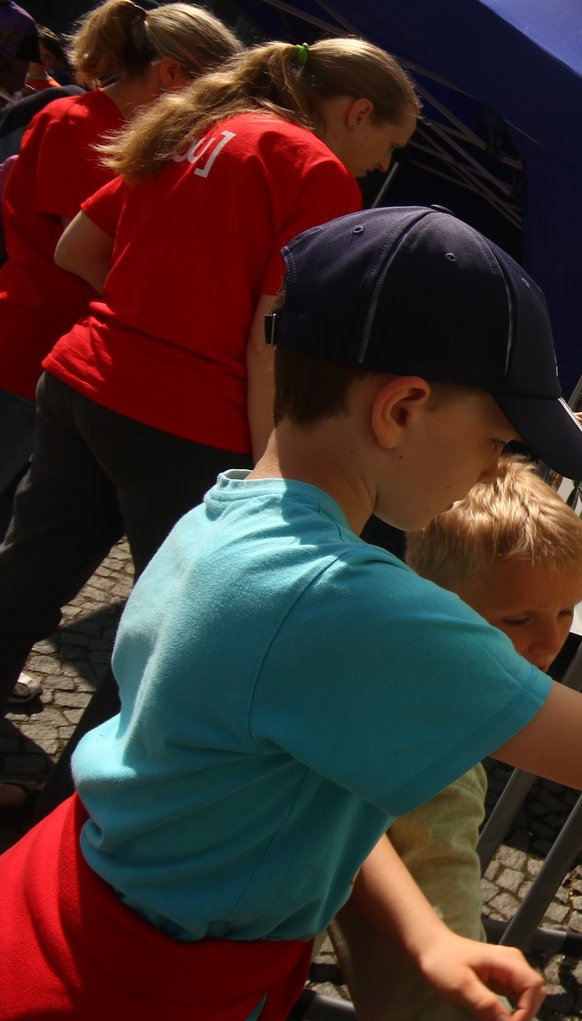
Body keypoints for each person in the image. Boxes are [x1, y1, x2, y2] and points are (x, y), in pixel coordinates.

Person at [0, 204, 582, 1021]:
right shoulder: (350, 606)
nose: (494, 467)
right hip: (126, 1015)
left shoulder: (224, 518)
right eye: (495, 440)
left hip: (77, 913)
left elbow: (315, 792)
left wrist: (424, 935)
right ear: (402, 409)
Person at [4, 36, 418, 815]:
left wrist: (150, 312)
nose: (378, 167)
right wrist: (271, 472)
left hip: (84, 378)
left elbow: (77, 248)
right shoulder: (317, 172)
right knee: (169, 635)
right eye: (387, 146)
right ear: (357, 112)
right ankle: (64, 823)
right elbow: (270, 342)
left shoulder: (198, 122)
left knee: (22, 582)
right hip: (184, 423)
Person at [330, 457, 582, 1021]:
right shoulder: (438, 761)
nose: (552, 642)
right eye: (518, 619)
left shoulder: (381, 667)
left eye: (566, 612)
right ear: (433, 602)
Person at [0, 0, 241, 559]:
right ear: (172, 73)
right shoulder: (76, 122)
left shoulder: (142, 136)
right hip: (27, 346)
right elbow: (93, 253)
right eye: (214, 90)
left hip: (59, 359)